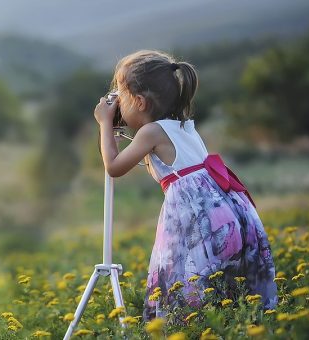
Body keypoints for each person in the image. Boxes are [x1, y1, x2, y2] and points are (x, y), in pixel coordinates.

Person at [93, 50, 277, 320]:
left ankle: (189, 328)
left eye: (121, 93)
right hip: (230, 215)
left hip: (197, 222)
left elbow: (114, 167)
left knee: (185, 283)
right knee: (224, 288)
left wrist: (104, 123)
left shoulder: (151, 132)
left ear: (140, 102)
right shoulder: (183, 126)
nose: (117, 101)